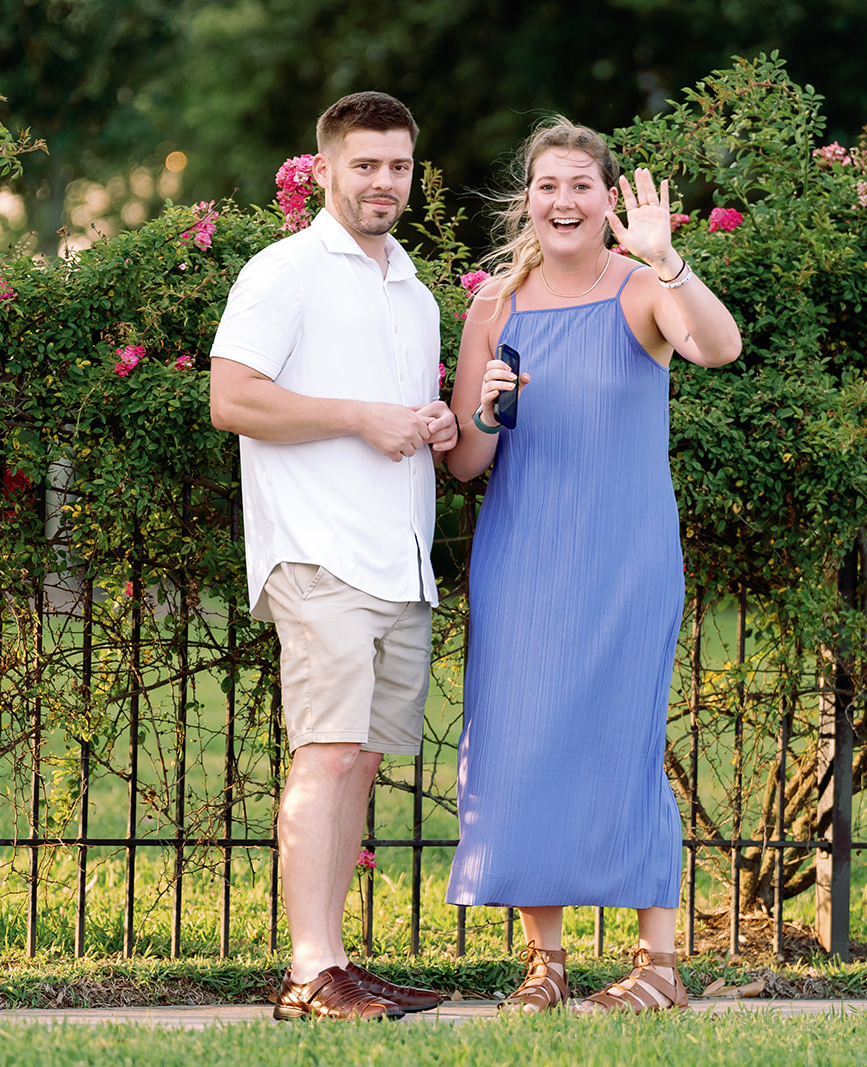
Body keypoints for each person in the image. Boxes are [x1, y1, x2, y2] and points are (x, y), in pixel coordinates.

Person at [443, 119, 742, 1014]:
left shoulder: (640, 290)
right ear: (526, 199)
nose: (563, 201)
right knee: (520, 746)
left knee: (625, 745)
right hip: (522, 556)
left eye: (581, 185)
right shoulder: (491, 308)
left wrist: (668, 262)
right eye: (547, 185)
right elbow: (462, 461)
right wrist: (488, 414)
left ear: (608, 199)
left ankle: (658, 964)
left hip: (624, 557)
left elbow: (718, 348)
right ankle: (548, 963)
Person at [209, 91, 458, 1022]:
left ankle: (337, 961)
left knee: (358, 761)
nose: (383, 181)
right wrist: (362, 416)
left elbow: (399, 419)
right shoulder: (284, 272)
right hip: (320, 554)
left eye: (397, 165)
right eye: (365, 165)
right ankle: (308, 970)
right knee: (327, 753)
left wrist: (429, 422)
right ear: (325, 169)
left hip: (401, 561)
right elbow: (232, 399)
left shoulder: (415, 289)